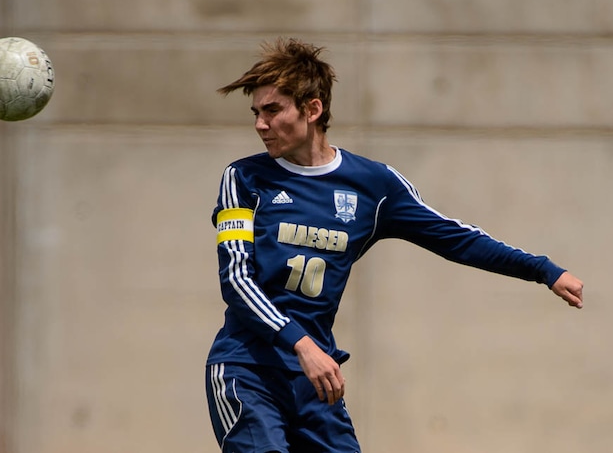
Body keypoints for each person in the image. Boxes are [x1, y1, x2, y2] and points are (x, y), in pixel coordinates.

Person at [205, 37, 584, 453]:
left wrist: (543, 270)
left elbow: (455, 238)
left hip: (316, 380)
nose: (260, 124)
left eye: (273, 110)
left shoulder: (375, 186)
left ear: (313, 109)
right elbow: (237, 280)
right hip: (247, 369)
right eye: (256, 113)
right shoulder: (243, 179)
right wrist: (301, 343)